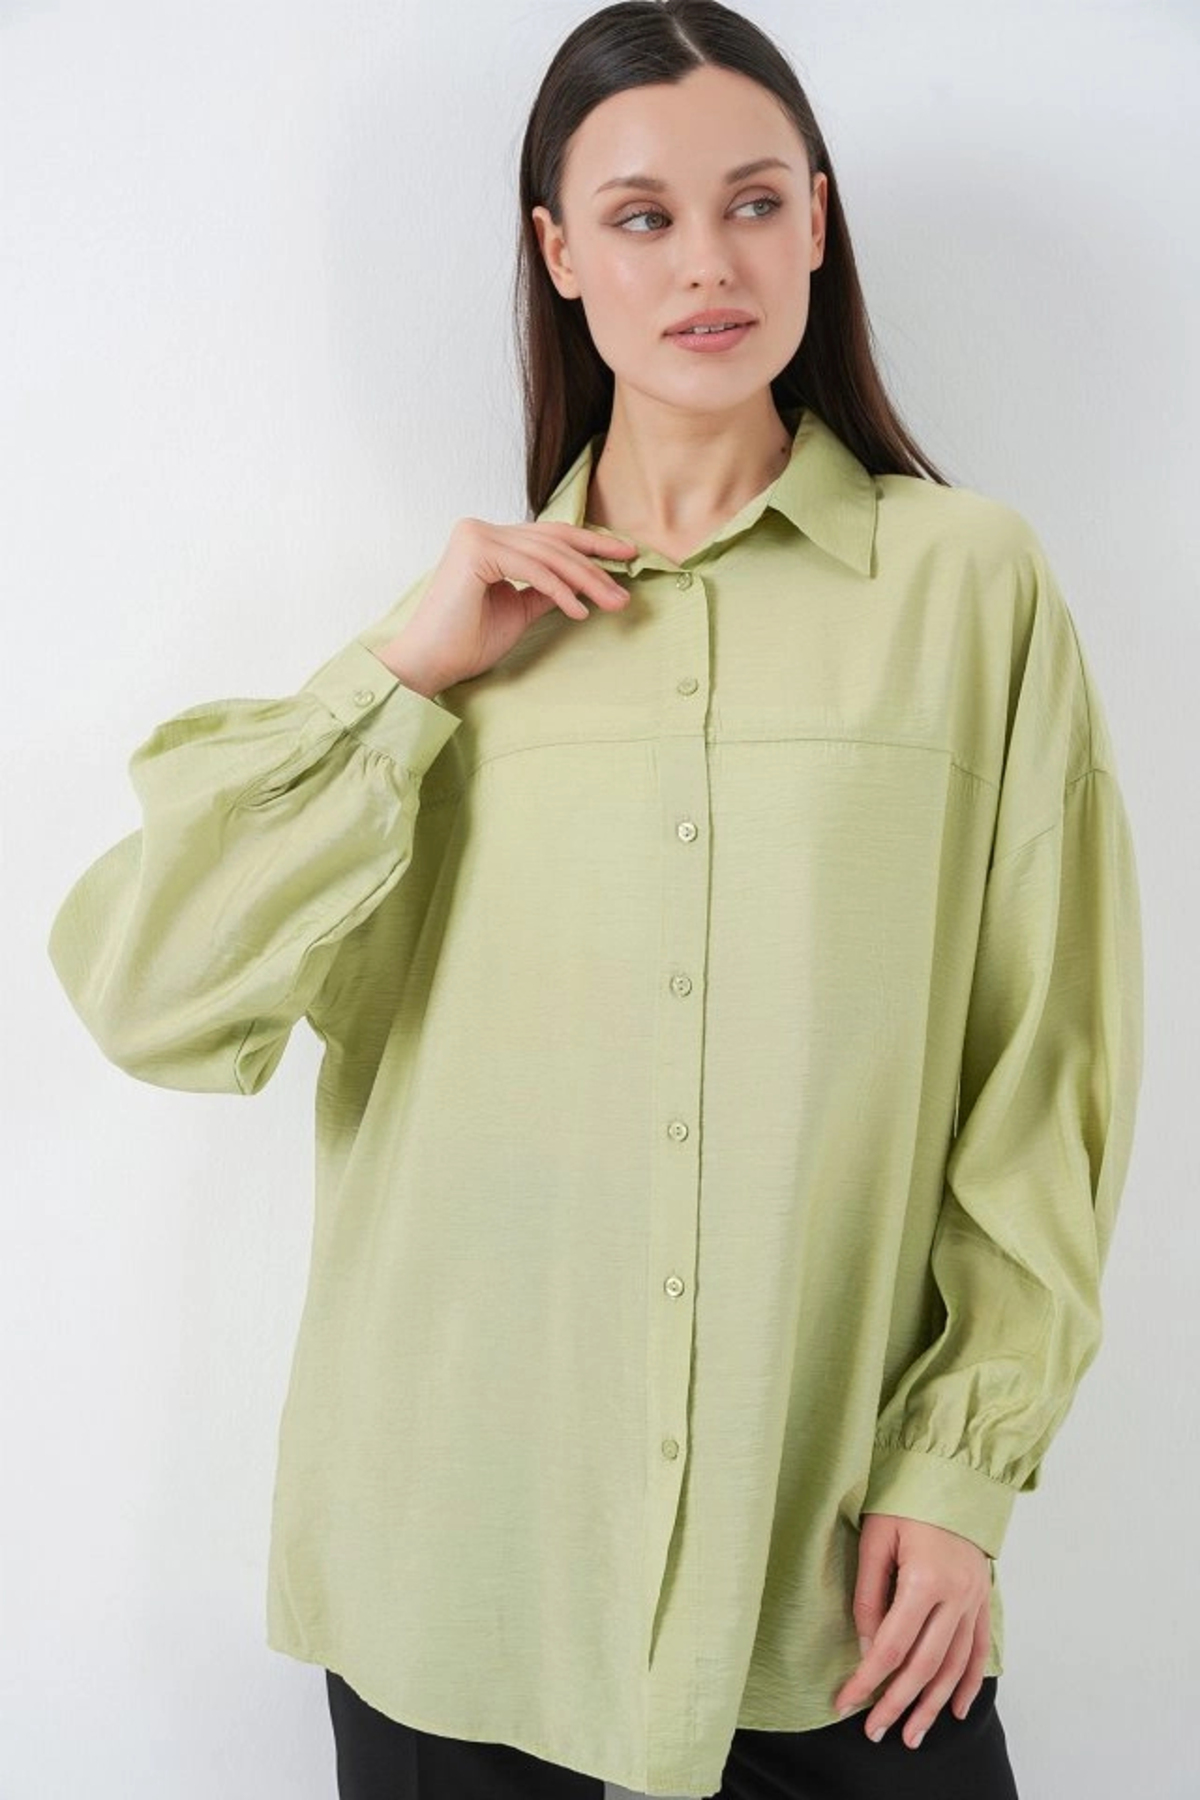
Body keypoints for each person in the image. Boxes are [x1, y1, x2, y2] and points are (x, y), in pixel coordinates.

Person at [46, 3, 1144, 1797]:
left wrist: (963, 1470)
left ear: (817, 222)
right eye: (642, 216)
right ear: (559, 253)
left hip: (829, 1578)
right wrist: (399, 682)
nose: (707, 262)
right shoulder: (454, 655)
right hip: (455, 1559)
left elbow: (1048, 1075)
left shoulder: (969, 593)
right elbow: (149, 994)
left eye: (754, 202)